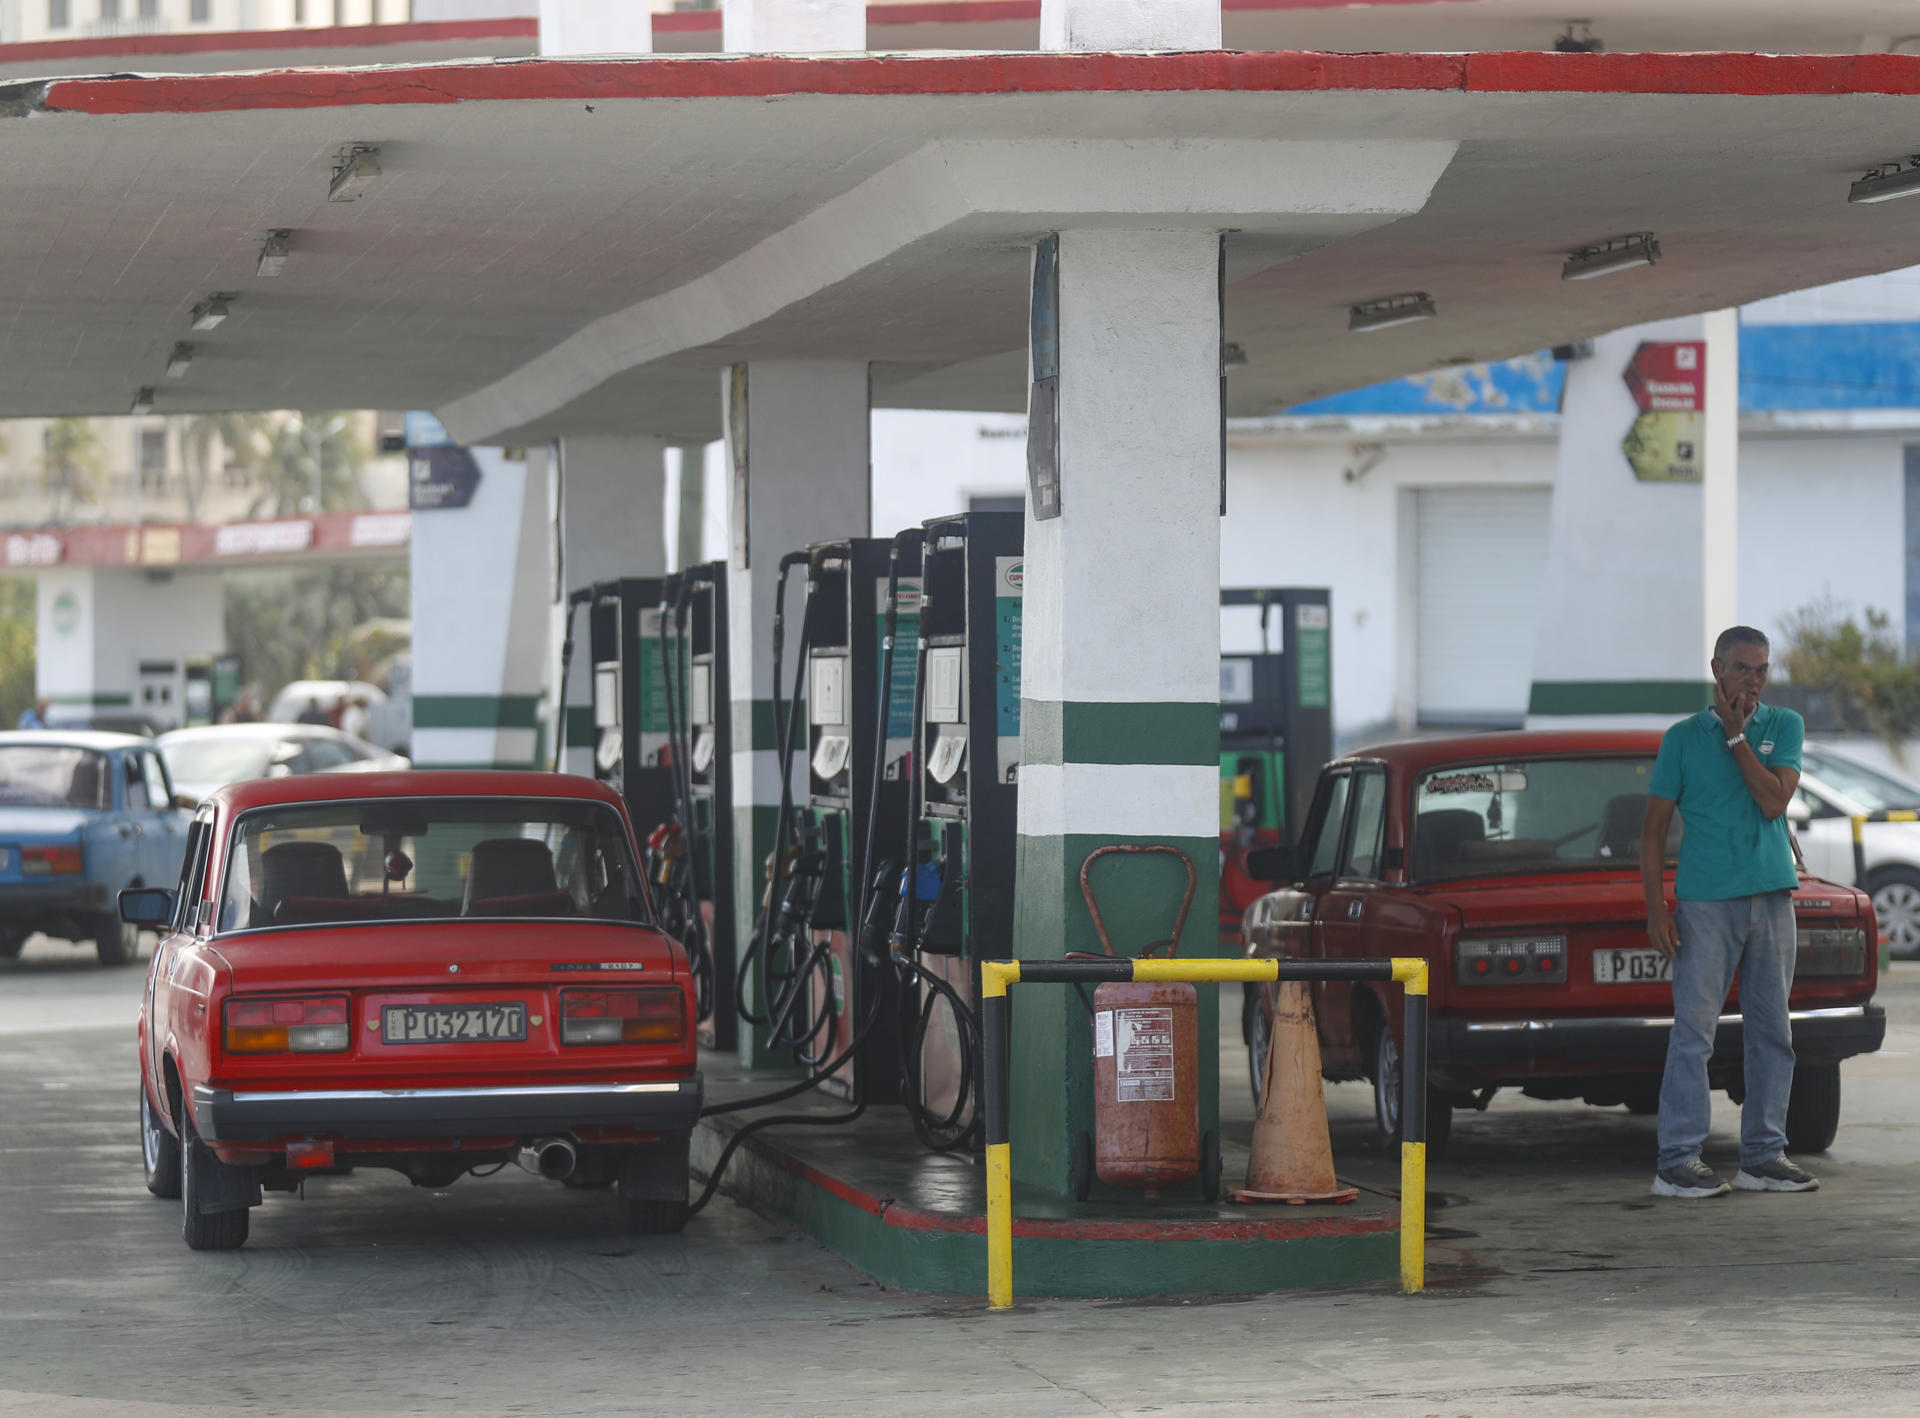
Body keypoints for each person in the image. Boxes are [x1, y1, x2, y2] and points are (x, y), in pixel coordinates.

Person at [1641, 626, 1816, 1198]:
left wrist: (1740, 740)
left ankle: (1763, 1156)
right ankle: (1677, 1161)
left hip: (1770, 895)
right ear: (1716, 669)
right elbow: (1654, 828)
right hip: (1705, 902)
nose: (1754, 680)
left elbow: (1773, 801)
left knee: (1773, 1031)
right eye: (1743, 668)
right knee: (1695, 1033)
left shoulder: (1783, 726)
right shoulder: (1682, 739)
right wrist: (1656, 910)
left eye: (1762, 669)